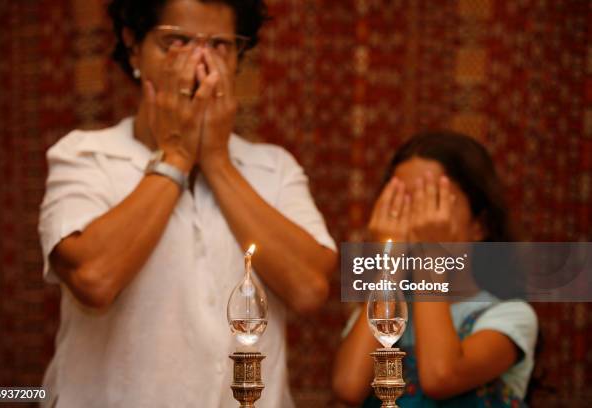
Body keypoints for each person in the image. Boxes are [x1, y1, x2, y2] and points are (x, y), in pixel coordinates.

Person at [38, 1, 337, 407]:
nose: (200, 62)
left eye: (219, 45)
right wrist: (176, 155)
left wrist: (216, 162)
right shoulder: (85, 156)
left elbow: (308, 289)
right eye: (176, 41)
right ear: (133, 46)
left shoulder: (275, 168)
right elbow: (94, 278)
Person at [332, 132, 538, 407]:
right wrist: (391, 258)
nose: (418, 221)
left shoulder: (509, 315)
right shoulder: (384, 309)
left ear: (480, 225)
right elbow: (348, 386)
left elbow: (441, 377)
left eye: (434, 203)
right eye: (402, 204)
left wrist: (431, 253)